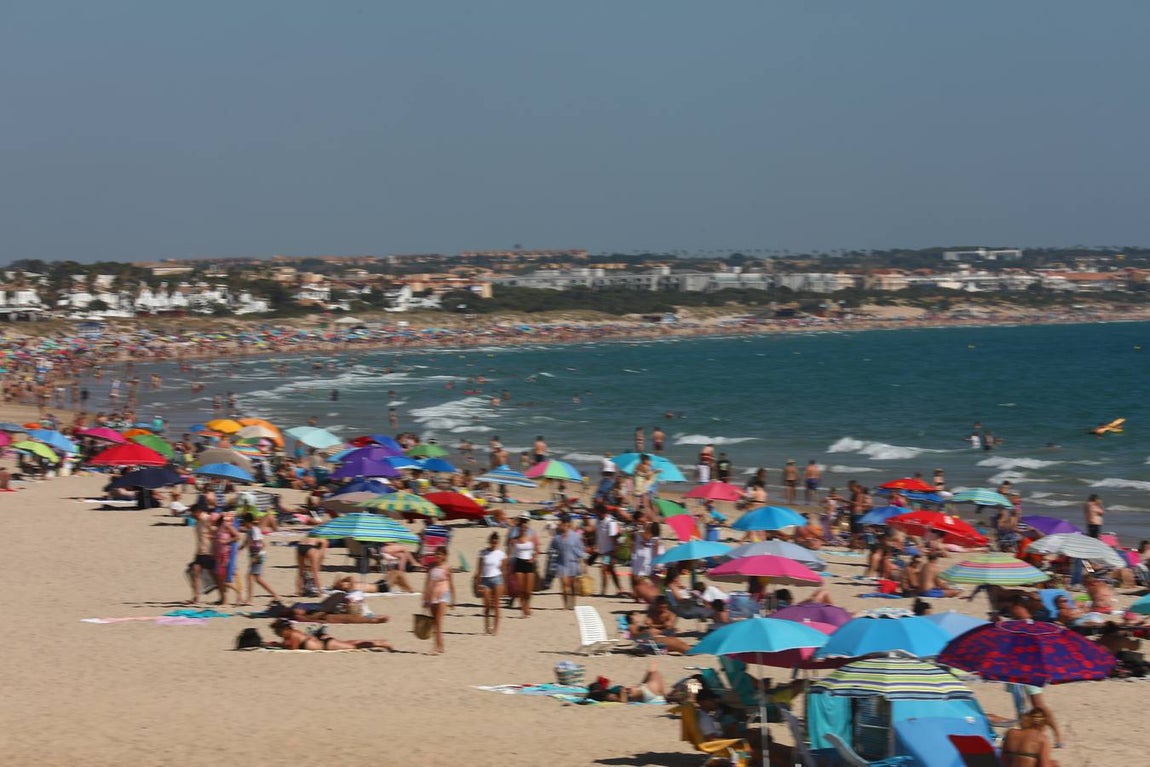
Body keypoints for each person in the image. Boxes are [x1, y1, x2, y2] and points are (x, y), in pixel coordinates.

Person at [269, 618, 394, 651]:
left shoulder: (293, 635)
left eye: (278, 632)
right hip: (324, 641)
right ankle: (378, 641)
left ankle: (381, 644)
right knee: (350, 643)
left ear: (285, 629)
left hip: (326, 645)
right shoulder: (293, 633)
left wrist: (279, 645)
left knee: (353, 646)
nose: (278, 635)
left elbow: (293, 649)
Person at [238, 513, 280, 605]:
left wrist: (256, 557)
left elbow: (261, 544)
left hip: (258, 556)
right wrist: (237, 550)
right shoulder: (249, 531)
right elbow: (245, 543)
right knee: (257, 578)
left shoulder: (255, 530)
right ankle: (275, 595)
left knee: (251, 577)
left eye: (243, 522)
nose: (242, 524)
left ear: (247, 522)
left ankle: (250, 600)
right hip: (255, 556)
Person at [584, 659, 668, 703]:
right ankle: (665, 695)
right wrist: (625, 692)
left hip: (643, 691)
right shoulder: (607, 695)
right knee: (656, 674)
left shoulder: (606, 693)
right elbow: (623, 700)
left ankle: (648, 676)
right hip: (646, 693)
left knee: (654, 673)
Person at [421, 546, 455, 654]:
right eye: (436, 554)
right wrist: (425, 598)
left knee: (439, 622)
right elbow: (427, 583)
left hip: (444, 595)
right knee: (434, 623)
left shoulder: (447, 568)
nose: (437, 556)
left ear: (444, 556)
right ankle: (441, 646)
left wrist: (453, 599)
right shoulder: (431, 567)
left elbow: (451, 584)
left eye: (440, 554)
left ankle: (435, 647)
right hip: (433, 595)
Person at [474, 532, 506, 634]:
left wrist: (504, 583)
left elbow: (503, 570)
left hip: (497, 579)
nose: (494, 544)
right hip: (485, 580)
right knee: (487, 605)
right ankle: (487, 626)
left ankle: (495, 629)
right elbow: (479, 569)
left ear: (498, 542)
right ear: (489, 542)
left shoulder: (501, 554)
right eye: (492, 542)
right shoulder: (483, 553)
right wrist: (478, 583)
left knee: (496, 605)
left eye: (496, 542)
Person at [551, 515, 586, 610]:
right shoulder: (557, 537)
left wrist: (583, 563)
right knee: (564, 586)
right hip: (561, 564)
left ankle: (572, 604)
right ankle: (566, 605)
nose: (563, 526)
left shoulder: (575, 536)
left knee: (572, 586)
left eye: (565, 524)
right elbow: (552, 550)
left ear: (568, 524)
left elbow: (581, 550)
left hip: (573, 563)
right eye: (562, 523)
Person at [508, 515, 540, 617]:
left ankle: (528, 605)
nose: (524, 529)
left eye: (525, 527)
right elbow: (509, 554)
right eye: (522, 527)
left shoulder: (531, 538)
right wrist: (505, 565)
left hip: (529, 563)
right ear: (519, 528)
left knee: (528, 591)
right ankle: (523, 608)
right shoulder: (514, 540)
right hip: (518, 563)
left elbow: (537, 550)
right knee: (521, 590)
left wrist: (534, 558)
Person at [592, 506, 622, 597]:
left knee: (603, 569)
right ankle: (620, 588)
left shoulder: (610, 522)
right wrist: (595, 545)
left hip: (609, 552)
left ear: (603, 513)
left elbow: (614, 539)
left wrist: (614, 555)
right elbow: (597, 534)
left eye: (597, 513)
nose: (596, 514)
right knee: (611, 570)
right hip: (602, 550)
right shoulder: (598, 521)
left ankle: (603, 591)